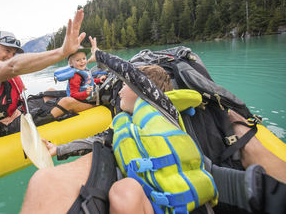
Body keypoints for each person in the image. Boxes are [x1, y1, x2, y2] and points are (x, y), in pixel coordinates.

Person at [21, 50, 286, 214]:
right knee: (124, 192)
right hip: (150, 200)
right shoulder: (123, 123)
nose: (119, 92)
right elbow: (97, 140)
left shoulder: (163, 110)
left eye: (123, 86)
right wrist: (59, 149)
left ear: (142, 90)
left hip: (189, 198)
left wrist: (98, 55)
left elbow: (133, 78)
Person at [0, 9, 93, 140]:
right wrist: (62, 52)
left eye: (13, 54)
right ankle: (100, 108)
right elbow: (13, 66)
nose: (10, 56)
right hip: (2, 127)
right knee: (67, 102)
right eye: (6, 50)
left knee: (50, 92)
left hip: (12, 113)